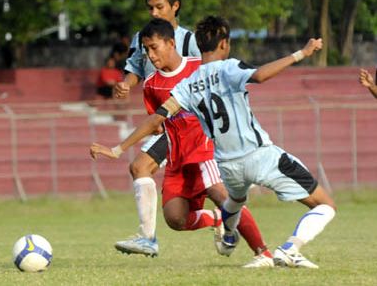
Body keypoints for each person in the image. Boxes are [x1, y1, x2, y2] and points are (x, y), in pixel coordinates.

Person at [91, 15, 336, 269]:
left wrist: (119, 148)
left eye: (154, 48)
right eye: (147, 50)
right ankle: (285, 247)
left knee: (227, 198)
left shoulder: (189, 81)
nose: (150, 56)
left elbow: (158, 118)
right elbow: (260, 76)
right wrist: (301, 53)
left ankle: (258, 250)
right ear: (224, 44)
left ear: (174, 43)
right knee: (322, 204)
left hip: (216, 157)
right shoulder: (224, 68)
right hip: (247, 154)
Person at [112, 0, 201, 258]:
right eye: (150, 7)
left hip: (189, 123)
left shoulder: (189, 41)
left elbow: (207, 77)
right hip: (165, 123)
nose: (154, 12)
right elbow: (134, 69)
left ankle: (149, 239)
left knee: (141, 167)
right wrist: (126, 85)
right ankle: (222, 221)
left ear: (175, 6)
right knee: (178, 211)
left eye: (159, 7)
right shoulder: (142, 37)